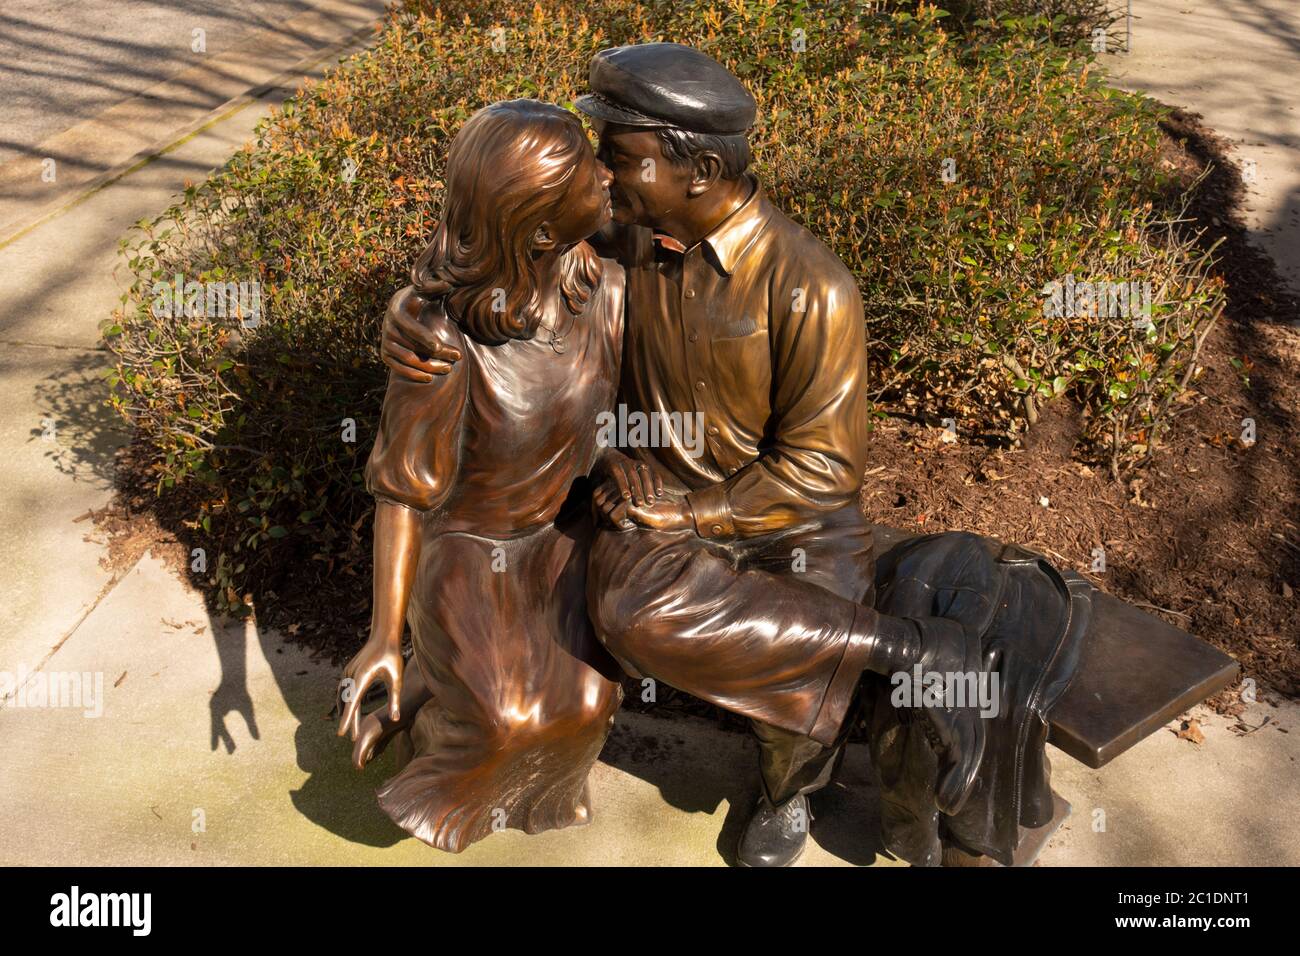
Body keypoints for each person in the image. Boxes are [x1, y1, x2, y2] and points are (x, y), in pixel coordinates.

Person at [380, 45, 987, 867]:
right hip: (653, 501)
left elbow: (825, 470)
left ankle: (790, 793)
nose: (601, 174)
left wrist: (703, 511)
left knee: (808, 621)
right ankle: (904, 659)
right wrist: (412, 311)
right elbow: (502, 240)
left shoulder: (812, 286)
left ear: (696, 169)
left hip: (788, 514)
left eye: (621, 159)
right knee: (635, 613)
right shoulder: (624, 240)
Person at [336, 99, 627, 853]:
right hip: (469, 545)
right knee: (505, 722)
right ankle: (429, 723)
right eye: (589, 175)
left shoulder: (610, 292)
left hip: (562, 536)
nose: (609, 173)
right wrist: (382, 638)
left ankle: (527, 782)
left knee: (589, 703)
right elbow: (402, 491)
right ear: (538, 229)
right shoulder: (439, 341)